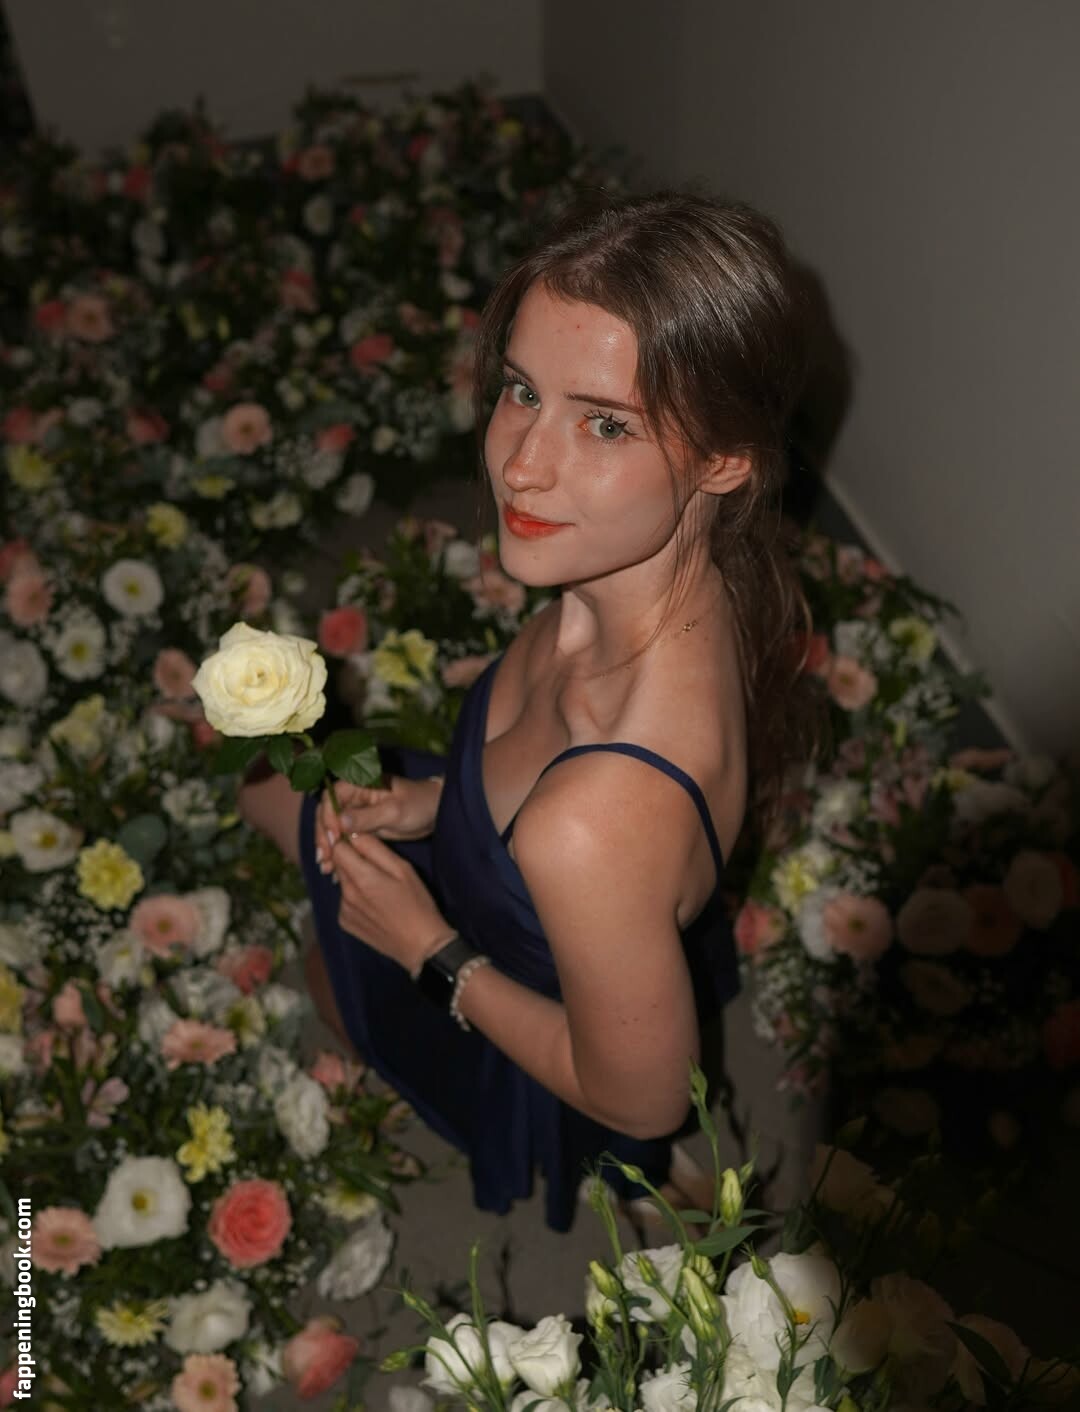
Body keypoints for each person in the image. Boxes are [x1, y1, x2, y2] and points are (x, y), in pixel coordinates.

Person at [239, 189, 814, 1232]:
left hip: (516, 991)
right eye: (521, 390)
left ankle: (603, 1160)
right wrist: (432, 806)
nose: (520, 464)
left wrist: (429, 949)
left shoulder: (593, 817)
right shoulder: (661, 576)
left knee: (328, 969)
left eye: (605, 423)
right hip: (532, 863)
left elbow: (645, 1097)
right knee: (271, 792)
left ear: (724, 460)